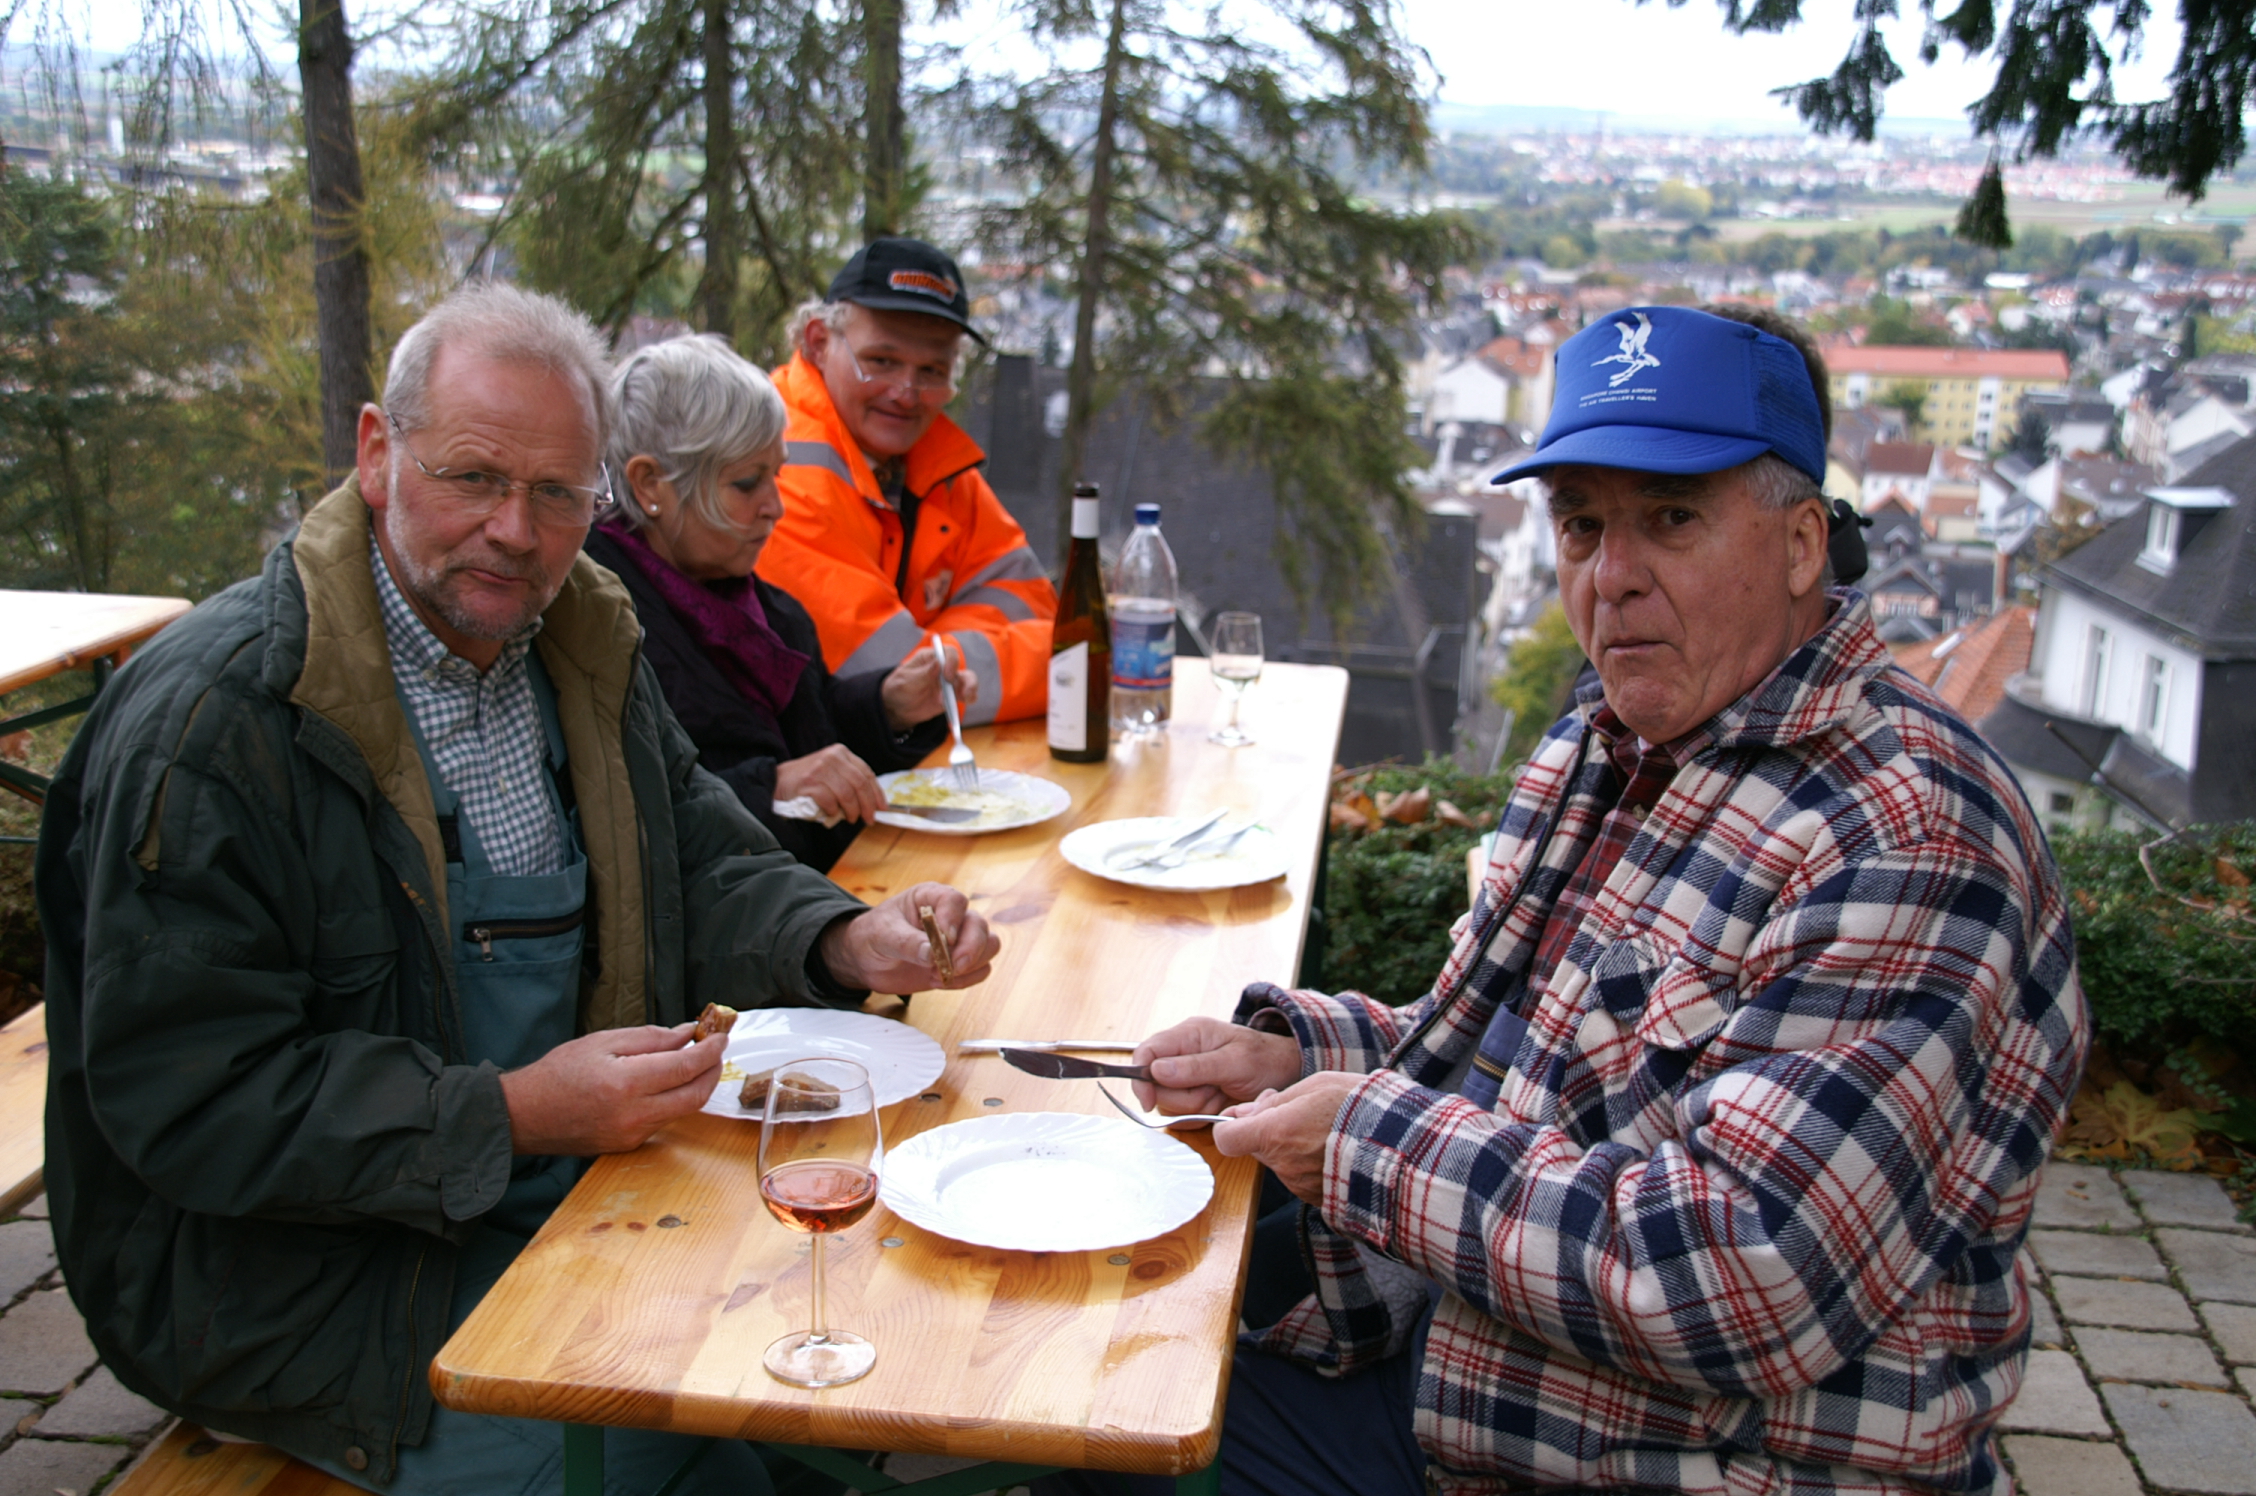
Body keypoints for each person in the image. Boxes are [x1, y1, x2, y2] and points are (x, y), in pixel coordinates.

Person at [1104, 306, 2085, 1496]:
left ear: (1801, 544)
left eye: (1670, 517)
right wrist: (1302, 1053)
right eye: (1581, 524)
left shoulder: (1909, 835)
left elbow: (1740, 1273)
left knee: (1104, 1407)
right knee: (1107, 1318)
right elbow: (1515, 1061)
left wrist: (1362, 1137)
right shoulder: (1610, 740)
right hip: (1496, 1375)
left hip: (1697, 1458)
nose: (1612, 578)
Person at [38, 282, 999, 1496]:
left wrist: (847, 938)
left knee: (857, 1344)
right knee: (699, 1441)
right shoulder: (220, 719)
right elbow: (193, 1101)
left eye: (556, 493)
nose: (515, 528)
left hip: (554, 1195)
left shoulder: (578, 637)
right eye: (474, 476)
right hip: (288, 1283)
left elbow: (699, 853)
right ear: (377, 452)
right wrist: (514, 1114)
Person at [586, 335, 973, 871]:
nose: (775, 506)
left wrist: (887, 705)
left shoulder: (758, 604)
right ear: (650, 484)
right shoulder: (595, 626)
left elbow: (811, 729)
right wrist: (769, 788)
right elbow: (619, 819)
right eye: (747, 483)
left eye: (777, 475)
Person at [755, 237, 1055, 726]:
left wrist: (936, 648)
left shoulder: (936, 462)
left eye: (932, 370)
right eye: (881, 361)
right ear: (818, 342)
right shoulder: (777, 471)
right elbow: (898, 683)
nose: (906, 393)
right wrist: (1013, 656)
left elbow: (1037, 609)